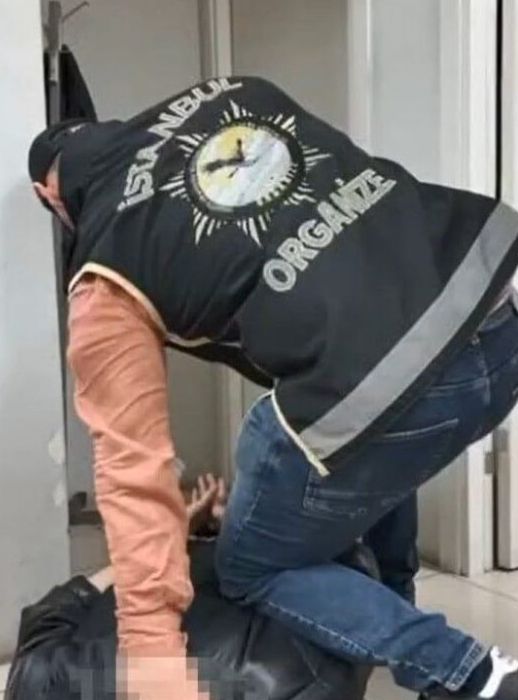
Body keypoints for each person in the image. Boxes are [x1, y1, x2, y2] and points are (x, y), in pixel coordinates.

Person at [28, 76, 518, 700]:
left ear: (53, 196)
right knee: (363, 417)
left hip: (395, 377)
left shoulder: (103, 276)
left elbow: (132, 471)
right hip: (495, 309)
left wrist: (154, 658)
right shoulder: (229, 91)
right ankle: (396, 603)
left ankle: (471, 675)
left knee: (252, 564)